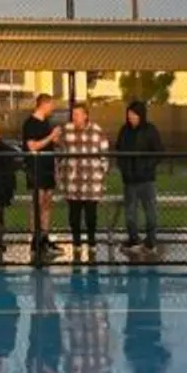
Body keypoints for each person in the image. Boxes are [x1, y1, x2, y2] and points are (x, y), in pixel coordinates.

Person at [57, 103, 111, 261]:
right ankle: (76, 243)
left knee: (91, 216)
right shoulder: (66, 131)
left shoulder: (96, 131)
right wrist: (61, 171)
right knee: (74, 216)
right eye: (73, 114)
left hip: (91, 181)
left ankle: (92, 242)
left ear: (86, 115)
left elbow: (104, 152)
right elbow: (60, 151)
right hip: (72, 182)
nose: (75, 117)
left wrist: (102, 171)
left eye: (78, 114)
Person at [115, 99, 164, 259]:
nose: (131, 118)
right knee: (130, 213)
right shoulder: (124, 131)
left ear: (140, 115)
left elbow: (159, 153)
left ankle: (150, 241)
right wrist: (123, 168)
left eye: (134, 115)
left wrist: (146, 167)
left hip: (146, 180)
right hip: (129, 181)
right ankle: (134, 240)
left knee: (150, 212)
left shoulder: (150, 130)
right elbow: (118, 150)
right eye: (129, 115)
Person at [21, 94, 64, 259]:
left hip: (48, 168)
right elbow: (33, 146)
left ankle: (45, 237)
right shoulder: (30, 123)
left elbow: (50, 145)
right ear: (43, 104)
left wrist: (56, 139)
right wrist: (51, 137)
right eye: (51, 104)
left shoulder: (46, 123)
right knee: (37, 203)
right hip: (35, 168)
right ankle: (35, 239)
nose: (52, 108)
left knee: (47, 203)